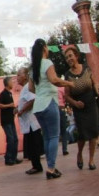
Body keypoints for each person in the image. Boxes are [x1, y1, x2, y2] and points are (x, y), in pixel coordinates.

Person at [29, 39, 75, 180]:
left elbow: (31, 88)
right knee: (54, 136)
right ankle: (51, 167)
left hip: (38, 106)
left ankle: (50, 166)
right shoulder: (47, 63)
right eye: (47, 47)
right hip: (49, 102)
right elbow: (54, 79)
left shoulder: (33, 68)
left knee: (47, 137)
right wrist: (69, 83)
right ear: (44, 48)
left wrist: (41, 91)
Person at [63, 46, 99, 170]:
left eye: (70, 56)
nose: (69, 59)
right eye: (66, 57)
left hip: (90, 103)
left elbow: (94, 82)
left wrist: (97, 90)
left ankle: (91, 160)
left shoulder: (86, 68)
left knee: (94, 132)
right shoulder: (67, 75)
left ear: (76, 56)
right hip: (79, 106)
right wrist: (75, 103)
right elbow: (66, 96)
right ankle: (79, 154)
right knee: (83, 135)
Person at [15, 67, 44, 175]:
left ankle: (37, 166)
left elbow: (32, 100)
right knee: (31, 145)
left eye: (19, 75)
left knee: (33, 145)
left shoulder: (28, 87)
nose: (17, 77)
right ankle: (35, 165)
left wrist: (22, 110)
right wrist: (18, 108)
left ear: (26, 76)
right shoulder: (24, 89)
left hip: (31, 122)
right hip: (28, 123)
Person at [0, 76, 19, 166]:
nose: (13, 83)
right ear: (7, 83)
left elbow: (11, 106)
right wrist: (9, 105)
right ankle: (8, 158)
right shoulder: (3, 94)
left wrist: (15, 109)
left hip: (11, 119)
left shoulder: (9, 94)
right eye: (11, 82)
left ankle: (13, 157)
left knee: (15, 139)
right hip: (6, 121)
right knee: (10, 139)